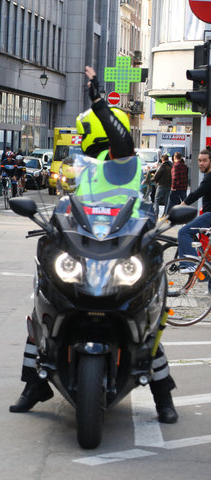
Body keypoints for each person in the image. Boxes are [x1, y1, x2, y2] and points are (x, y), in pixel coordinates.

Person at [10, 65, 179, 425]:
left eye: (89, 130)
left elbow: (122, 144)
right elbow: (66, 204)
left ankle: (163, 394)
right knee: (40, 315)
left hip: (122, 245)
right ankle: (34, 385)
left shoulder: (124, 165)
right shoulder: (82, 169)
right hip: (86, 245)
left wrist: (99, 102)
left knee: (145, 319)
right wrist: (51, 227)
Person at [177, 149, 211, 273]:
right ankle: (207, 277)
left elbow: (196, 194)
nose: (201, 163)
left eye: (205, 161)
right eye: (199, 160)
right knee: (206, 251)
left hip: (209, 216)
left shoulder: (209, 178)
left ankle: (189, 263)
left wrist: (181, 206)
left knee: (183, 233)